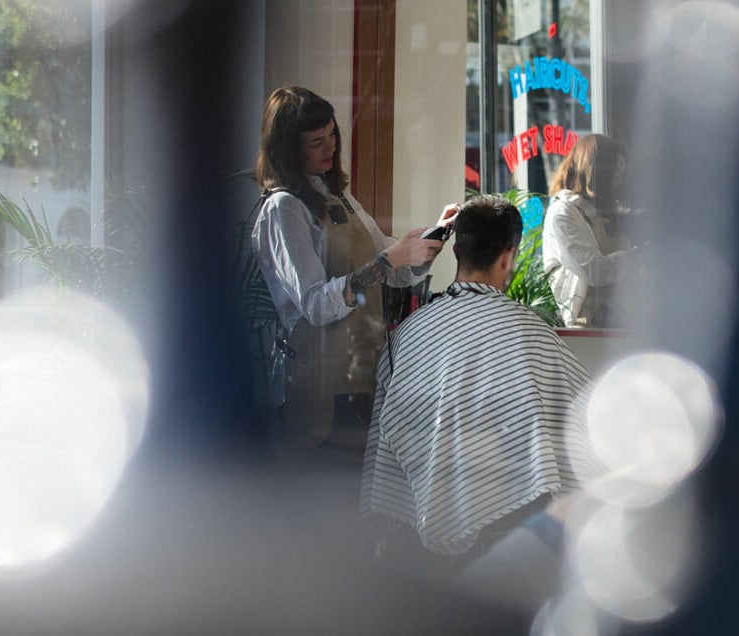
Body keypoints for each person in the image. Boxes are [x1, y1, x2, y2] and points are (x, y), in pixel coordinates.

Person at [360, 194, 599, 574]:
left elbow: (387, 438)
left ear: (456, 250)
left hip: (415, 541)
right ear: (508, 256)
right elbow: (588, 420)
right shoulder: (528, 334)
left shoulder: (410, 333)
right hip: (507, 531)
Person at [251, 86, 456, 459]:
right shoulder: (284, 209)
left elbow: (392, 274)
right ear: (289, 150)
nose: (330, 147)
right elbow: (315, 305)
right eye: (316, 142)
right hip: (317, 389)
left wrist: (427, 243)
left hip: (361, 376)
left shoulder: (339, 197)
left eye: (332, 135)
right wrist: (390, 259)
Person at [542, 133, 645, 328]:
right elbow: (594, 271)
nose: (619, 181)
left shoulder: (607, 211)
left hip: (623, 320)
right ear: (597, 172)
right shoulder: (564, 211)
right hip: (587, 326)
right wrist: (638, 255)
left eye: (622, 174)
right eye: (615, 173)